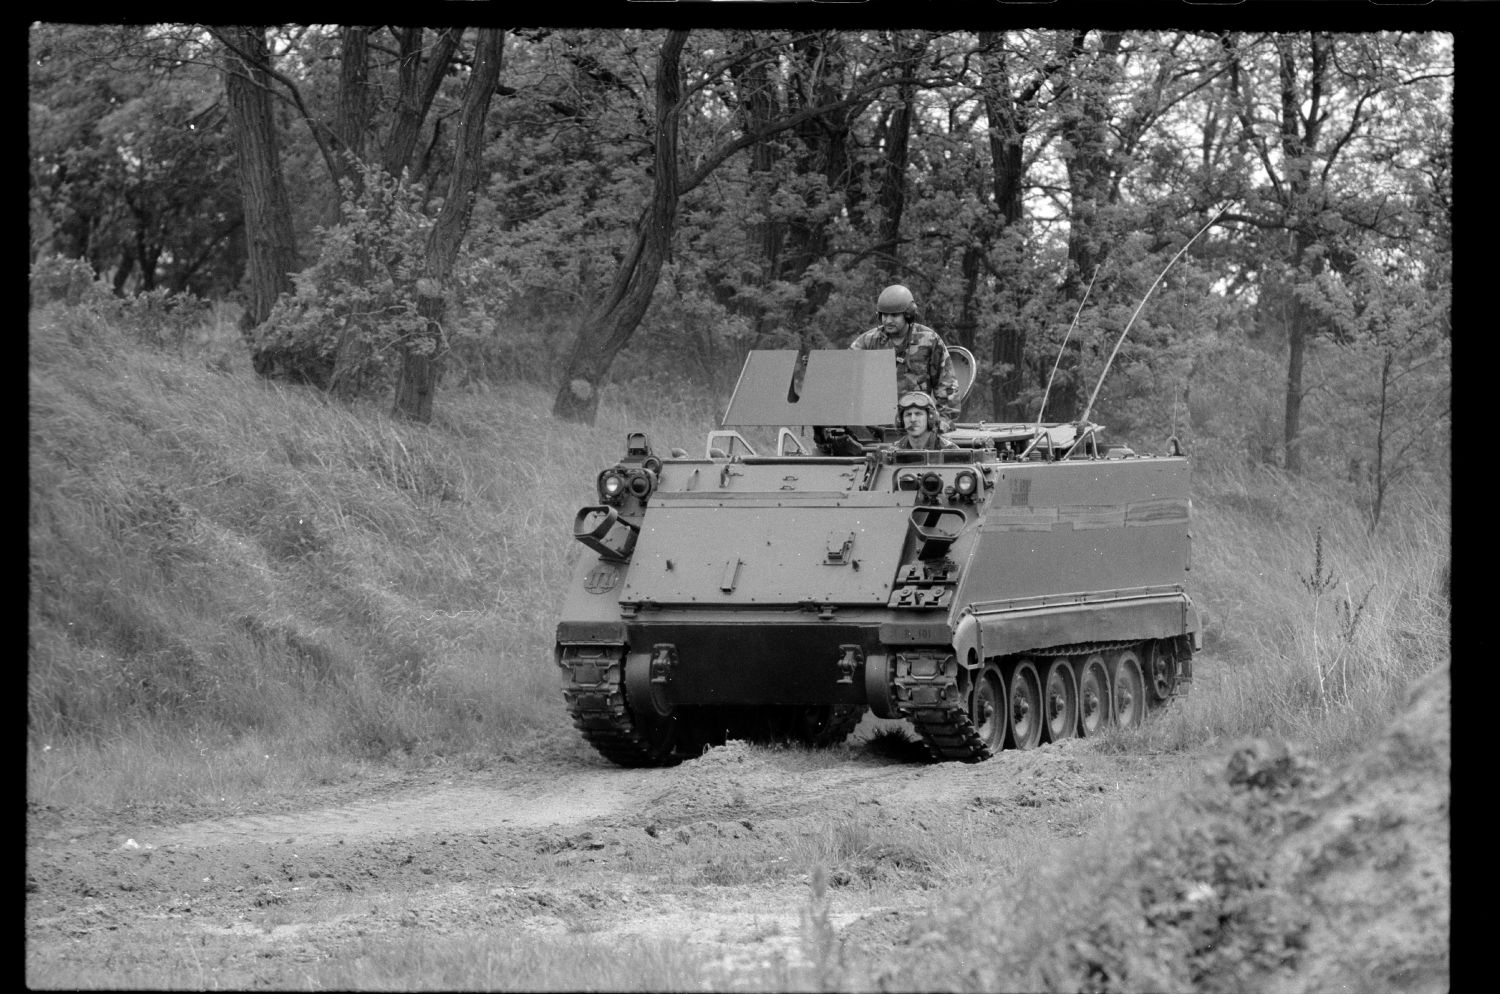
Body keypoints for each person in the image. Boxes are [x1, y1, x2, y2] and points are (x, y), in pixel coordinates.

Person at [849, 284, 961, 429]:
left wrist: (943, 422)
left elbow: (946, 385)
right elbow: (847, 379)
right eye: (884, 314)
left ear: (908, 315)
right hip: (876, 426)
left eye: (894, 315)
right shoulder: (868, 342)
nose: (888, 320)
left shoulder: (928, 340)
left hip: (916, 424)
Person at [892, 391, 958, 450]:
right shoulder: (894, 451)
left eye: (918, 414)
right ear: (901, 420)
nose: (913, 419)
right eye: (908, 414)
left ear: (931, 418)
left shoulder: (949, 451)